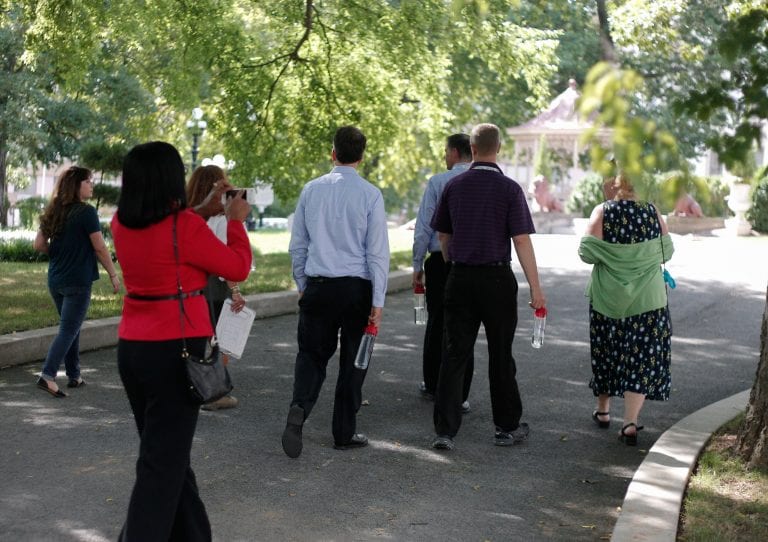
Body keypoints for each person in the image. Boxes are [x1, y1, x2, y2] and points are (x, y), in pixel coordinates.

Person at [112, 141, 252, 541]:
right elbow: (237, 266)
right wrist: (234, 220)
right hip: (176, 351)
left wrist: (206, 209)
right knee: (161, 465)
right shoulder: (186, 227)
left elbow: (165, 232)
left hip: (133, 349)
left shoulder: (121, 223)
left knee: (167, 456)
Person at [430, 123, 546, 451]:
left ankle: (445, 430)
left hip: (461, 278)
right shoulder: (510, 190)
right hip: (497, 279)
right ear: (499, 149)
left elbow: (443, 236)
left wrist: (454, 265)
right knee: (500, 353)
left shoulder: (455, 186)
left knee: (454, 354)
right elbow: (520, 240)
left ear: (472, 147)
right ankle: (506, 426)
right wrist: (536, 288)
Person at [281, 125, 390, 458]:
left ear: (333, 153)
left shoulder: (311, 191)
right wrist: (378, 301)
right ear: (361, 156)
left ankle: (299, 407)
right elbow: (377, 253)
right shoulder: (370, 194)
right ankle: (344, 431)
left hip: (319, 285)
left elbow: (298, 245)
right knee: (354, 361)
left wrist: (303, 284)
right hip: (356, 288)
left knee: (311, 356)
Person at [579, 173, 674, 446]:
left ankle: (604, 410)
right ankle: (630, 423)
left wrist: (612, 254)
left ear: (615, 185)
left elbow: (586, 252)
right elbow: (667, 251)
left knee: (608, 351)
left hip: (608, 299)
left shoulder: (603, 211)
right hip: (649, 300)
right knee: (641, 359)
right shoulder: (652, 211)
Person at [33, 166, 120, 397]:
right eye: (88, 181)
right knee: (69, 327)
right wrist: (113, 274)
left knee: (71, 326)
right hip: (78, 280)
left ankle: (74, 375)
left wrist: (60, 252)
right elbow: (100, 247)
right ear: (77, 185)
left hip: (56, 280)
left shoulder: (54, 210)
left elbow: (39, 245)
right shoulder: (86, 212)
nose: (92, 185)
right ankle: (47, 375)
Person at [412, 133, 474, 413]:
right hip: (471, 263)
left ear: (453, 152)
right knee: (464, 325)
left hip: (439, 260)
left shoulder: (438, 182)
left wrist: (417, 264)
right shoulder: (480, 181)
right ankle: (460, 390)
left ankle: (432, 382)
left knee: (436, 321)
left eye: (446, 150)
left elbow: (425, 224)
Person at [186, 165, 247, 411]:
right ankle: (214, 391)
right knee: (219, 338)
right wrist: (235, 290)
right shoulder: (223, 217)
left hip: (193, 281)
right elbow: (226, 259)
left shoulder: (189, 213)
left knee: (198, 337)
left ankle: (197, 385)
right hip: (216, 282)